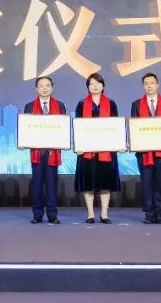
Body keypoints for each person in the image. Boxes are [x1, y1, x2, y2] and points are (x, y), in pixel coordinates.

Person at [74, 72, 120, 224]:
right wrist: (78, 146)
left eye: (98, 83)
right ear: (88, 87)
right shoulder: (81, 104)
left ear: (103, 85)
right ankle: (90, 214)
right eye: (92, 83)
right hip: (87, 151)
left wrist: (118, 143)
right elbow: (77, 127)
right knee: (88, 184)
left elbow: (116, 126)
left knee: (105, 184)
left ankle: (104, 214)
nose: (95, 86)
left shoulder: (111, 104)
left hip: (106, 150)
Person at [130, 72, 161, 225]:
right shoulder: (136, 104)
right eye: (146, 83)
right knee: (146, 182)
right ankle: (149, 213)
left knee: (160, 181)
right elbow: (134, 126)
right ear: (143, 86)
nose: (149, 86)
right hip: (144, 151)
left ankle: (159, 213)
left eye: (152, 83)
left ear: (157, 85)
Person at [23, 76, 66, 224]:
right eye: (41, 85)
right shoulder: (29, 106)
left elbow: (63, 127)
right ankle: (37, 214)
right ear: (36, 89)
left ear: (52, 88)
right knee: (37, 184)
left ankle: (52, 215)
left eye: (47, 85)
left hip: (53, 152)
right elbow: (26, 128)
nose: (45, 88)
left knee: (52, 184)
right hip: (37, 152)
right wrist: (23, 141)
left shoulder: (60, 106)